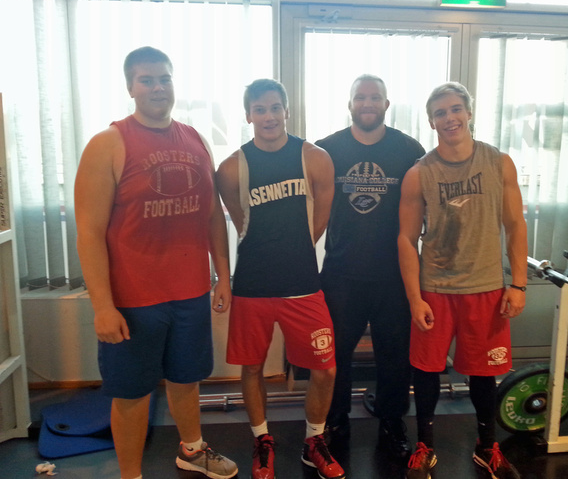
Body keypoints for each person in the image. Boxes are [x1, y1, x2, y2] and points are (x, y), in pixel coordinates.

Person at [74, 46, 238, 479]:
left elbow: (212, 215)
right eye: (146, 80)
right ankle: (131, 474)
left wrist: (223, 276)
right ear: (130, 87)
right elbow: (89, 233)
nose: (157, 87)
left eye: (164, 78)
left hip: (190, 292)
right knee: (132, 394)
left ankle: (192, 451)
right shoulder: (108, 144)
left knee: (187, 380)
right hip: (133, 300)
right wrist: (102, 307)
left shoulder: (195, 139)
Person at [216, 79, 345, 479]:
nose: (268, 116)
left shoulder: (315, 158)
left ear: (287, 111)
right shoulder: (231, 168)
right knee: (252, 368)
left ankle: (314, 441)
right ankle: (262, 441)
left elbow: (318, 221)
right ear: (248, 115)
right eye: (260, 109)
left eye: (275, 108)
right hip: (252, 285)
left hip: (302, 283)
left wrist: (293, 252)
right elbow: (242, 224)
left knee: (325, 369)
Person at [397, 82, 527, 479]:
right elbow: (406, 239)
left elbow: (515, 224)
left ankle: (487, 446)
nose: (449, 118)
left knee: (484, 373)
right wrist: (415, 297)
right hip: (436, 288)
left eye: (455, 109)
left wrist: (518, 284)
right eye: (440, 113)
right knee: (426, 371)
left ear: (469, 112)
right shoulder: (419, 173)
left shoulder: (498, 162)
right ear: (431, 121)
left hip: (486, 288)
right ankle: (425, 446)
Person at [315, 74, 425, 460]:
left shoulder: (409, 150)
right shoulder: (325, 151)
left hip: (395, 274)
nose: (367, 103)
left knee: (395, 355)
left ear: (386, 104)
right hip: (341, 272)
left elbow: (427, 206)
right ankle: (335, 420)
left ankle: (392, 421)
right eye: (360, 97)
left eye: (374, 97)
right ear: (349, 104)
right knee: (335, 355)